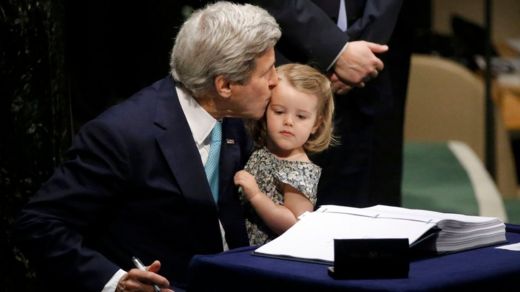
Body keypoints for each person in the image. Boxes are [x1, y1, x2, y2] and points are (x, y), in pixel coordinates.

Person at [14, 2, 281, 291]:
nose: (276, 81)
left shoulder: (232, 117)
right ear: (225, 85)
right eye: (267, 73)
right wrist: (116, 282)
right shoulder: (121, 136)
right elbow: (38, 223)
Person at [255, 0, 413, 208]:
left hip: (373, 67)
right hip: (286, 54)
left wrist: (357, 53)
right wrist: (336, 50)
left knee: (368, 214)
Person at [234, 63, 336, 245]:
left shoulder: (299, 170)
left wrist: (256, 196)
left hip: (269, 256)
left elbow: (295, 225)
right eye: (279, 111)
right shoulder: (262, 148)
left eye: (301, 117)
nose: (288, 121)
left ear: (316, 124)